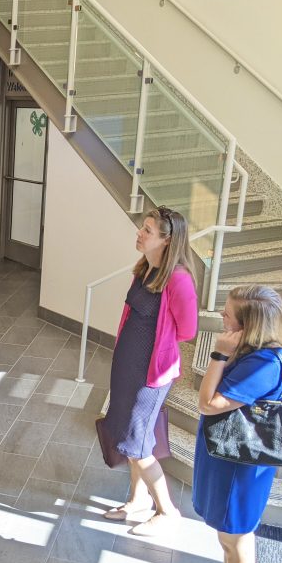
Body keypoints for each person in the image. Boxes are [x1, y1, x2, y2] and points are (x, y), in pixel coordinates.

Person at [180, 285, 282, 563]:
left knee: (237, 539)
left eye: (228, 314)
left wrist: (218, 355)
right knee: (228, 539)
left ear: (249, 325)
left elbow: (208, 403)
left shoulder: (264, 365)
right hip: (228, 458)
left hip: (242, 469)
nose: (222, 317)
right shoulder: (255, 353)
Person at [101, 206, 197, 536]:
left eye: (148, 231)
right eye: (143, 227)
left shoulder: (178, 279)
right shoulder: (145, 269)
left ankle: (167, 511)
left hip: (150, 374)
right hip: (128, 366)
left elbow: (187, 329)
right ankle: (137, 500)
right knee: (130, 440)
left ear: (167, 241)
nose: (140, 233)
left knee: (138, 443)